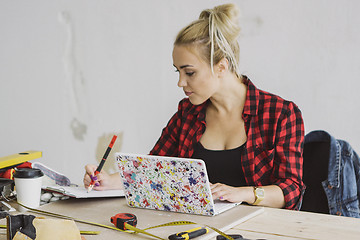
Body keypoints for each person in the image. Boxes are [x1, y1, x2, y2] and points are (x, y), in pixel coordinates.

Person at [84, 3, 305, 210]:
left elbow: (291, 190)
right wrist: (108, 180)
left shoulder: (281, 114)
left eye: (189, 72)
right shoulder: (187, 114)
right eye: (177, 72)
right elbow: (154, 171)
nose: (181, 82)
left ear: (221, 66)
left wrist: (244, 193)